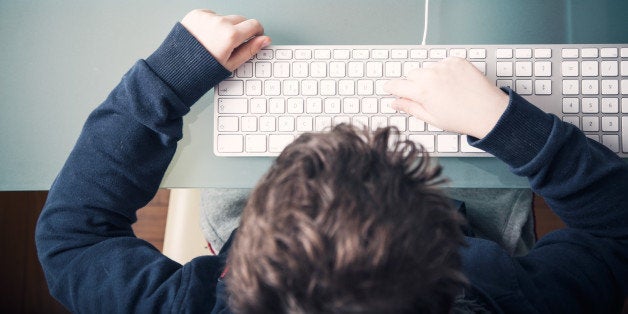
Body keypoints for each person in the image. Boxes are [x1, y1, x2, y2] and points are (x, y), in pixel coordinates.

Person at [35, 8, 627, 313]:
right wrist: (507, 125)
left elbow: (69, 241)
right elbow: (618, 229)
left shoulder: (194, 305)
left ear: (234, 273)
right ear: (452, 255)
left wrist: (166, 78)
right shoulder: (504, 295)